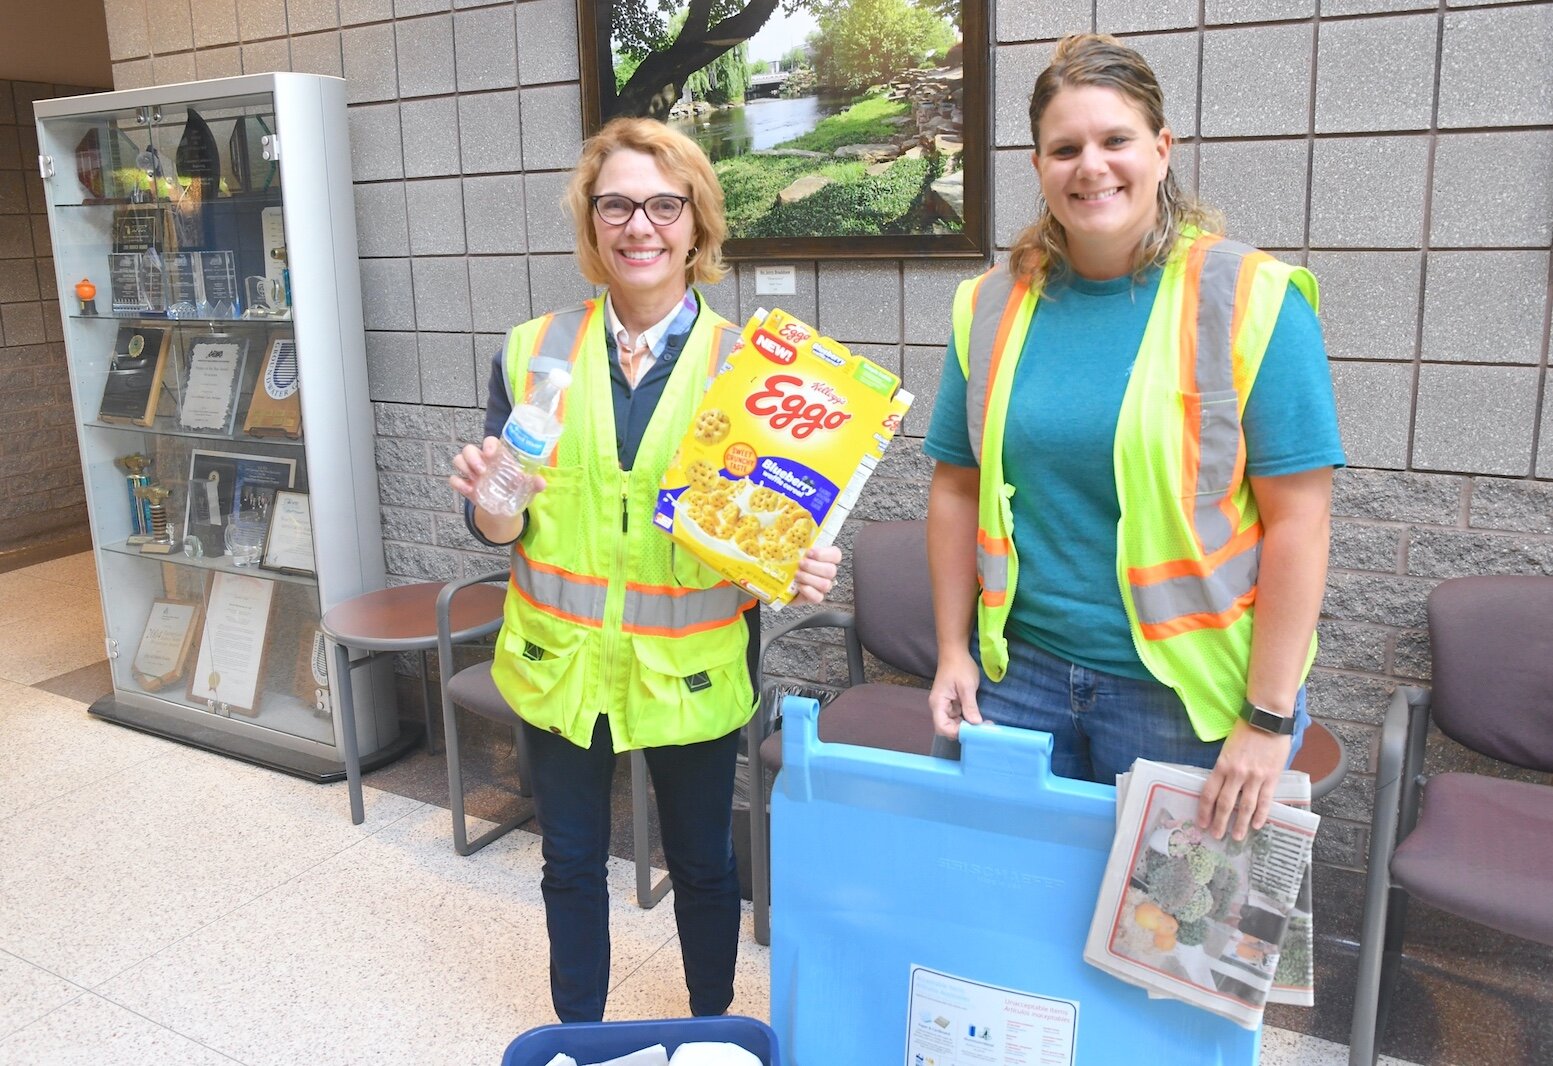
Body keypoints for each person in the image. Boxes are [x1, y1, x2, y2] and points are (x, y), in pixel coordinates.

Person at [448, 117, 840, 1022]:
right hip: (561, 664)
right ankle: (579, 1037)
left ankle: (710, 1035)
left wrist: (793, 569)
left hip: (689, 671)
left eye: (664, 205)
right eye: (615, 204)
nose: (640, 227)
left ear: (697, 225)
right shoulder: (533, 350)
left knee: (704, 866)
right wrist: (493, 504)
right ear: (592, 224)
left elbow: (761, 539)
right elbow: (502, 525)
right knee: (570, 863)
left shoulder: (753, 368)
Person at [924, 34, 1344, 844]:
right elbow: (954, 488)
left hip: (1185, 700)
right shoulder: (987, 305)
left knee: (1168, 946)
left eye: (1114, 140)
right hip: (1018, 683)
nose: (1091, 166)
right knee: (1003, 928)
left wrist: (1266, 716)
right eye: (1064, 147)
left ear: (1159, 148)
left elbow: (1300, 522)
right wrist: (951, 649)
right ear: (1039, 164)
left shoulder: (1250, 295)